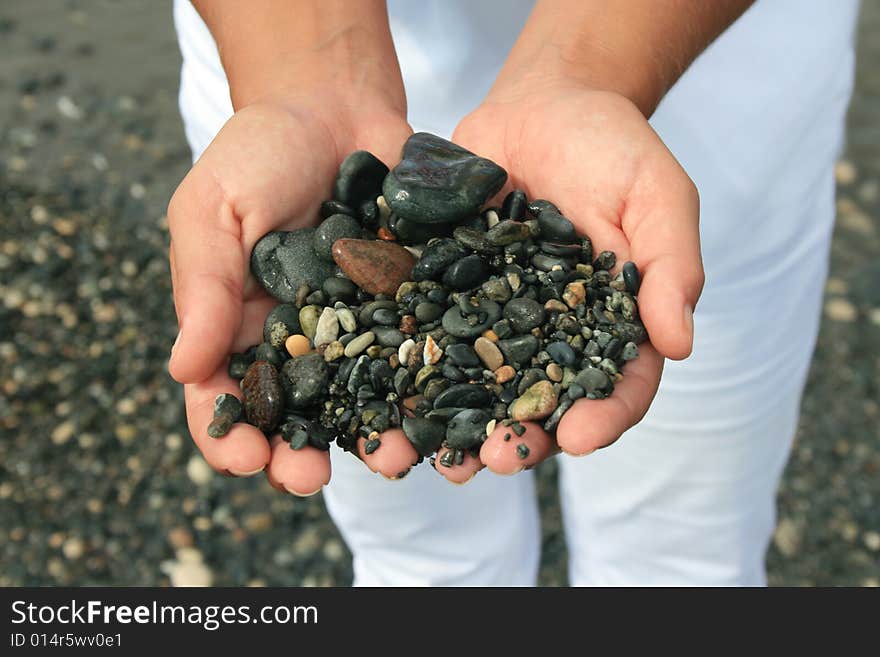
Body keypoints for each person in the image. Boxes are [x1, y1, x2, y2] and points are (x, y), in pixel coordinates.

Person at [167, 0, 860, 585]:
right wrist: (304, 69)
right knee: (423, 563)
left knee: (680, 551)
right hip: (278, 42)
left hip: (702, 73)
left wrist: (588, 70)